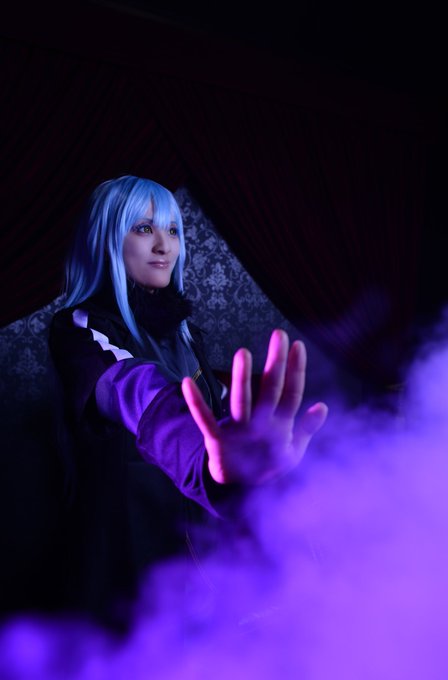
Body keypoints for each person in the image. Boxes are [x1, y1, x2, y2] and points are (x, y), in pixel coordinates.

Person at [49, 175, 328, 626]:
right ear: (107, 239)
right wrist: (204, 462)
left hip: (202, 539)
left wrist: (254, 429)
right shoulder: (80, 328)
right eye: (144, 228)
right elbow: (136, 389)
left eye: (173, 230)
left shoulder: (184, 333)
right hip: (134, 544)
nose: (164, 245)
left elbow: (215, 405)